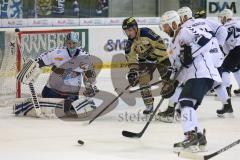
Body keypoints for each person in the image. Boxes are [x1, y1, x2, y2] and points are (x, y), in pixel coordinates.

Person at [160, 10, 222, 152]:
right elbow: (177, 67)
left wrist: (191, 51)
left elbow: (207, 37)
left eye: (165, 26)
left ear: (173, 23)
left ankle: (190, 137)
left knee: (185, 102)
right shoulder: (172, 45)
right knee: (180, 108)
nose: (164, 30)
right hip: (192, 76)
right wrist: (172, 84)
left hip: (202, 72)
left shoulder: (186, 31)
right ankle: (198, 136)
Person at [15, 32, 98, 117]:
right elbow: (39, 61)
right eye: (69, 43)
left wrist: (91, 87)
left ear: (78, 43)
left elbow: (90, 75)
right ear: (66, 43)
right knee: (49, 109)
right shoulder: (56, 52)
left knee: (67, 110)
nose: (71, 45)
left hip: (70, 92)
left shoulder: (85, 57)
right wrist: (30, 68)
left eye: (74, 43)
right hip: (51, 90)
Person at [122, 17, 172, 114]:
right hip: (146, 61)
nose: (128, 33)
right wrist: (133, 71)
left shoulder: (146, 32)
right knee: (143, 80)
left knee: (169, 81)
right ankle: (149, 104)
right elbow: (131, 58)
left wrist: (151, 52)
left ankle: (173, 106)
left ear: (136, 28)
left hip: (162, 58)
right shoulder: (129, 43)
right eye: (126, 31)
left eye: (130, 30)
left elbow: (161, 45)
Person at [217, 9, 240, 114]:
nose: (221, 20)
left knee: (224, 69)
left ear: (225, 17)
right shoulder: (239, 22)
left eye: (221, 18)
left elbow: (225, 49)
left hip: (237, 49)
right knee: (235, 67)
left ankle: (227, 99)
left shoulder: (224, 28)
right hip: (237, 49)